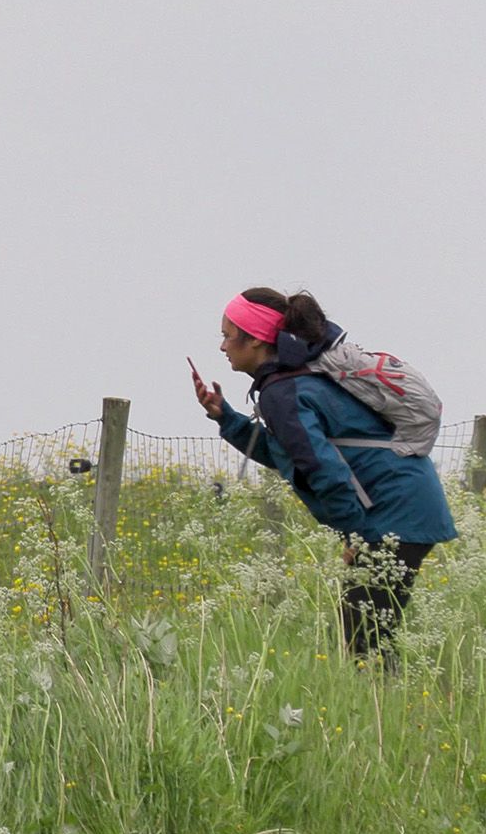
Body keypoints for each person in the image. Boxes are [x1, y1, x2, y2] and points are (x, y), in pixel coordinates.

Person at [192, 288, 457, 672]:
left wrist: (355, 536)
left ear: (256, 339)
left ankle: (391, 704)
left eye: (228, 335)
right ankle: (390, 701)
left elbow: (324, 471)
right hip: (405, 505)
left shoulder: (282, 391)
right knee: (367, 633)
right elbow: (289, 456)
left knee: (365, 640)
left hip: (395, 512)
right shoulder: (292, 381)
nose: (222, 346)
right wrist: (226, 417)